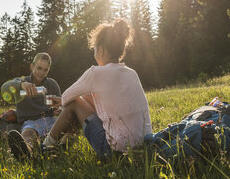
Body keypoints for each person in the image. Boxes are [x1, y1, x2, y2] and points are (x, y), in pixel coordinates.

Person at [43, 19, 152, 157]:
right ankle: (64, 143)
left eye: (94, 49)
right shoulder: (132, 73)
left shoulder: (95, 73)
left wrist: (65, 101)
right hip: (144, 147)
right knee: (84, 99)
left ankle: (45, 148)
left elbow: (66, 98)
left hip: (115, 152)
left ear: (100, 49)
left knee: (75, 103)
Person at [0, 52, 61, 159]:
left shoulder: (52, 84)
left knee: (64, 127)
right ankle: (24, 151)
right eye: (39, 68)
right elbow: (4, 87)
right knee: (28, 134)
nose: (41, 72)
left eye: (45, 70)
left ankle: (57, 148)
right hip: (31, 122)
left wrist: (58, 110)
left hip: (50, 119)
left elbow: (60, 105)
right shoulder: (21, 82)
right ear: (32, 66)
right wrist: (21, 85)